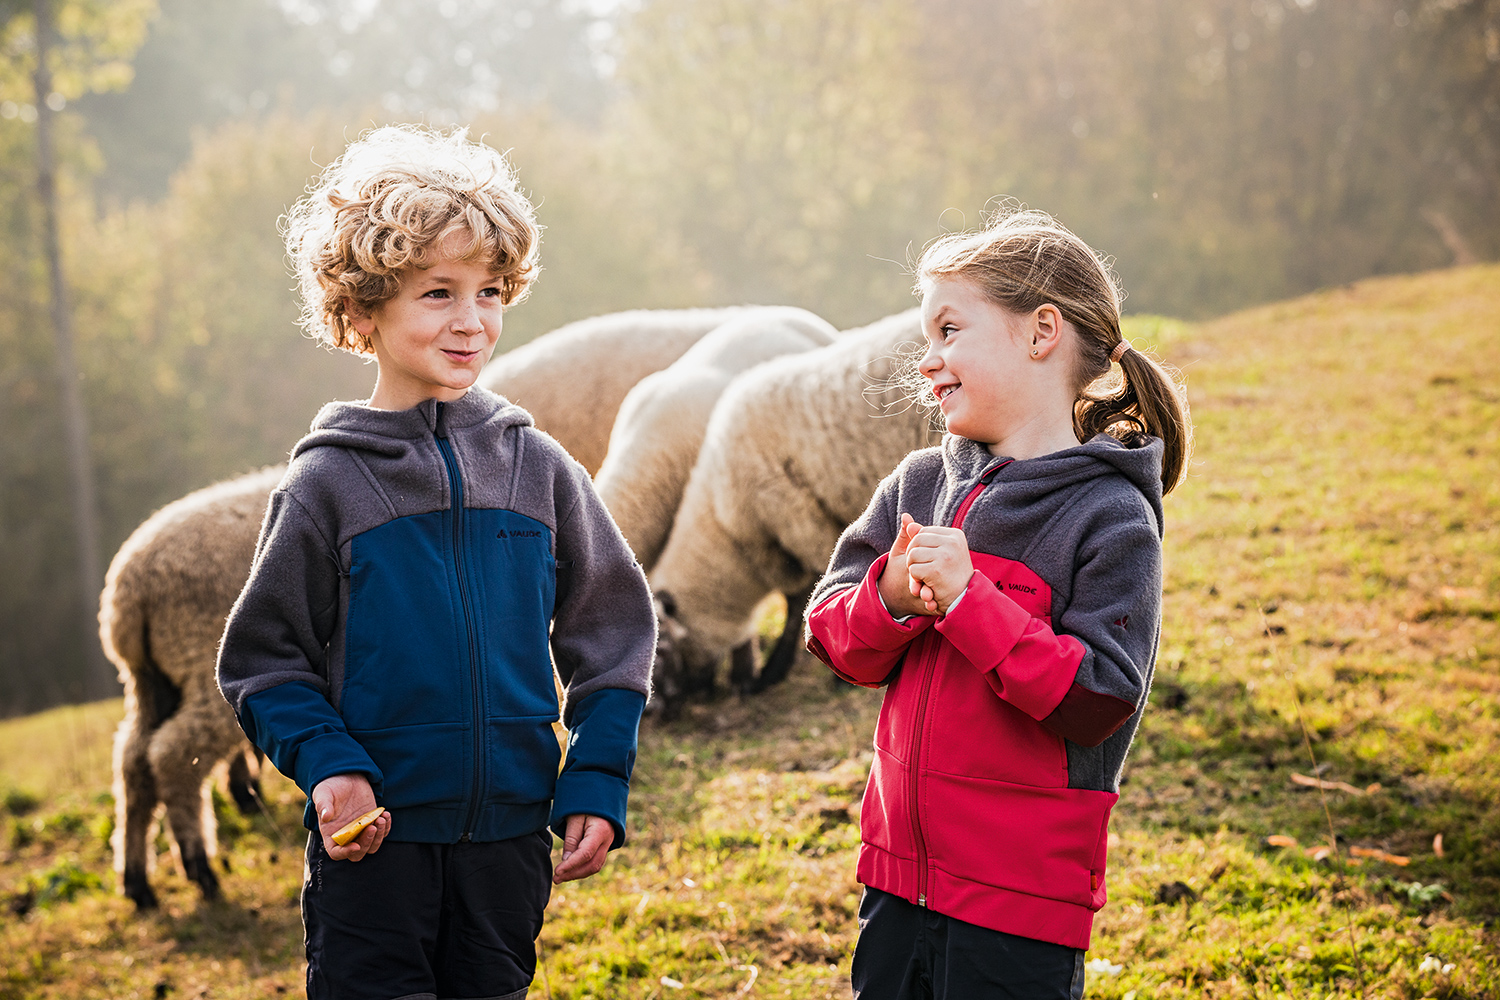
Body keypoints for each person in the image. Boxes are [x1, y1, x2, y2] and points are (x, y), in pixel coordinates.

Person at [216, 124, 655, 1000]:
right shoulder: (327, 484)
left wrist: (596, 778)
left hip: (509, 848)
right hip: (375, 850)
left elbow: (615, 633)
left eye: (490, 291)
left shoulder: (539, 469)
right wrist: (331, 767)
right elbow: (264, 663)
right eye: (437, 293)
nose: (472, 320)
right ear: (362, 309)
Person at [805, 208, 1191, 1000]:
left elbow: (1099, 698)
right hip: (896, 881)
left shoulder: (1110, 517)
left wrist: (971, 601)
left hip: (1019, 911)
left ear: (1041, 331)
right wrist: (889, 594)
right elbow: (832, 635)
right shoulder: (917, 485)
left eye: (949, 329)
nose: (928, 360)